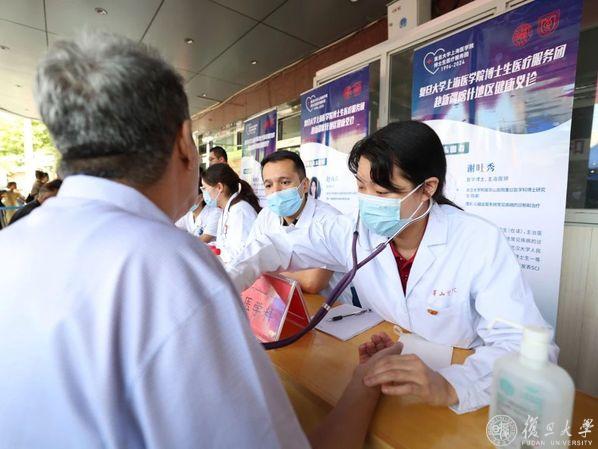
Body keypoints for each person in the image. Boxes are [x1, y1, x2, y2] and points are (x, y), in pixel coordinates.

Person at [0, 31, 405, 449]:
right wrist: (364, 384)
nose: (276, 192)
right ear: (183, 141)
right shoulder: (167, 265)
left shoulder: (10, 247)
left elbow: (289, 257)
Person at [227, 120, 558, 414]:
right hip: (392, 376)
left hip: (467, 388)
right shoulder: (354, 232)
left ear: (427, 188)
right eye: (361, 186)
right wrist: (225, 281)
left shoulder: (478, 240)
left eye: (382, 191)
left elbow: (527, 349)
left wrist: (452, 385)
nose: (368, 201)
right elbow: (278, 246)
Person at [246, 150, 353, 303]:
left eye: (285, 182)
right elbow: (251, 259)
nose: (276, 191)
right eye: (269, 185)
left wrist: (264, 268)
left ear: (305, 185)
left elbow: (312, 283)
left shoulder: (328, 220)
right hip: (278, 301)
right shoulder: (266, 216)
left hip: (328, 308)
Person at [202, 163, 260, 264]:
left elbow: (241, 254)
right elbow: (223, 245)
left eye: (205, 188)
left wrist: (215, 254)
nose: (204, 193)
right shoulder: (227, 210)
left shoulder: (240, 211)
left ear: (219, 187)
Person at [175, 167, 221, 242]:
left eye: (188, 197)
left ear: (201, 197)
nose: (184, 201)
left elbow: (203, 240)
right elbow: (171, 228)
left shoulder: (215, 213)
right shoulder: (188, 216)